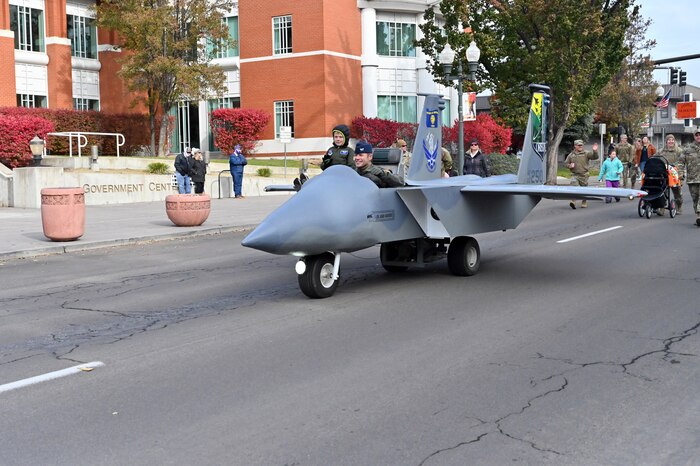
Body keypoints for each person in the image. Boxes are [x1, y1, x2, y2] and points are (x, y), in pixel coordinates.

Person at [564, 139, 599, 209]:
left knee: (584, 189)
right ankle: (573, 201)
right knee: (574, 187)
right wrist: (569, 166)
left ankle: (584, 201)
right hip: (575, 175)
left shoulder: (586, 153)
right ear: (575, 146)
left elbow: (595, 157)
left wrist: (595, 151)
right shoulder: (571, 155)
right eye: (579, 145)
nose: (580, 146)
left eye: (581, 145)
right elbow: (566, 163)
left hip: (584, 175)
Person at [655, 134, 684, 214]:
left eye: (672, 140)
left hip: (675, 174)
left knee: (677, 193)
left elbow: (682, 161)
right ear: (666, 141)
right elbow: (655, 158)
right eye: (669, 140)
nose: (671, 141)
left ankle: (678, 207)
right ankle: (662, 208)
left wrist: (675, 168)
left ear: (674, 141)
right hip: (663, 175)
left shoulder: (679, 151)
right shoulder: (661, 151)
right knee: (662, 191)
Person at [678, 129, 700, 226]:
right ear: (694, 136)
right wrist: (680, 173)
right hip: (693, 178)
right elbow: (681, 162)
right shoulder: (687, 149)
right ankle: (698, 215)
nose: (699, 137)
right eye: (697, 135)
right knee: (695, 198)